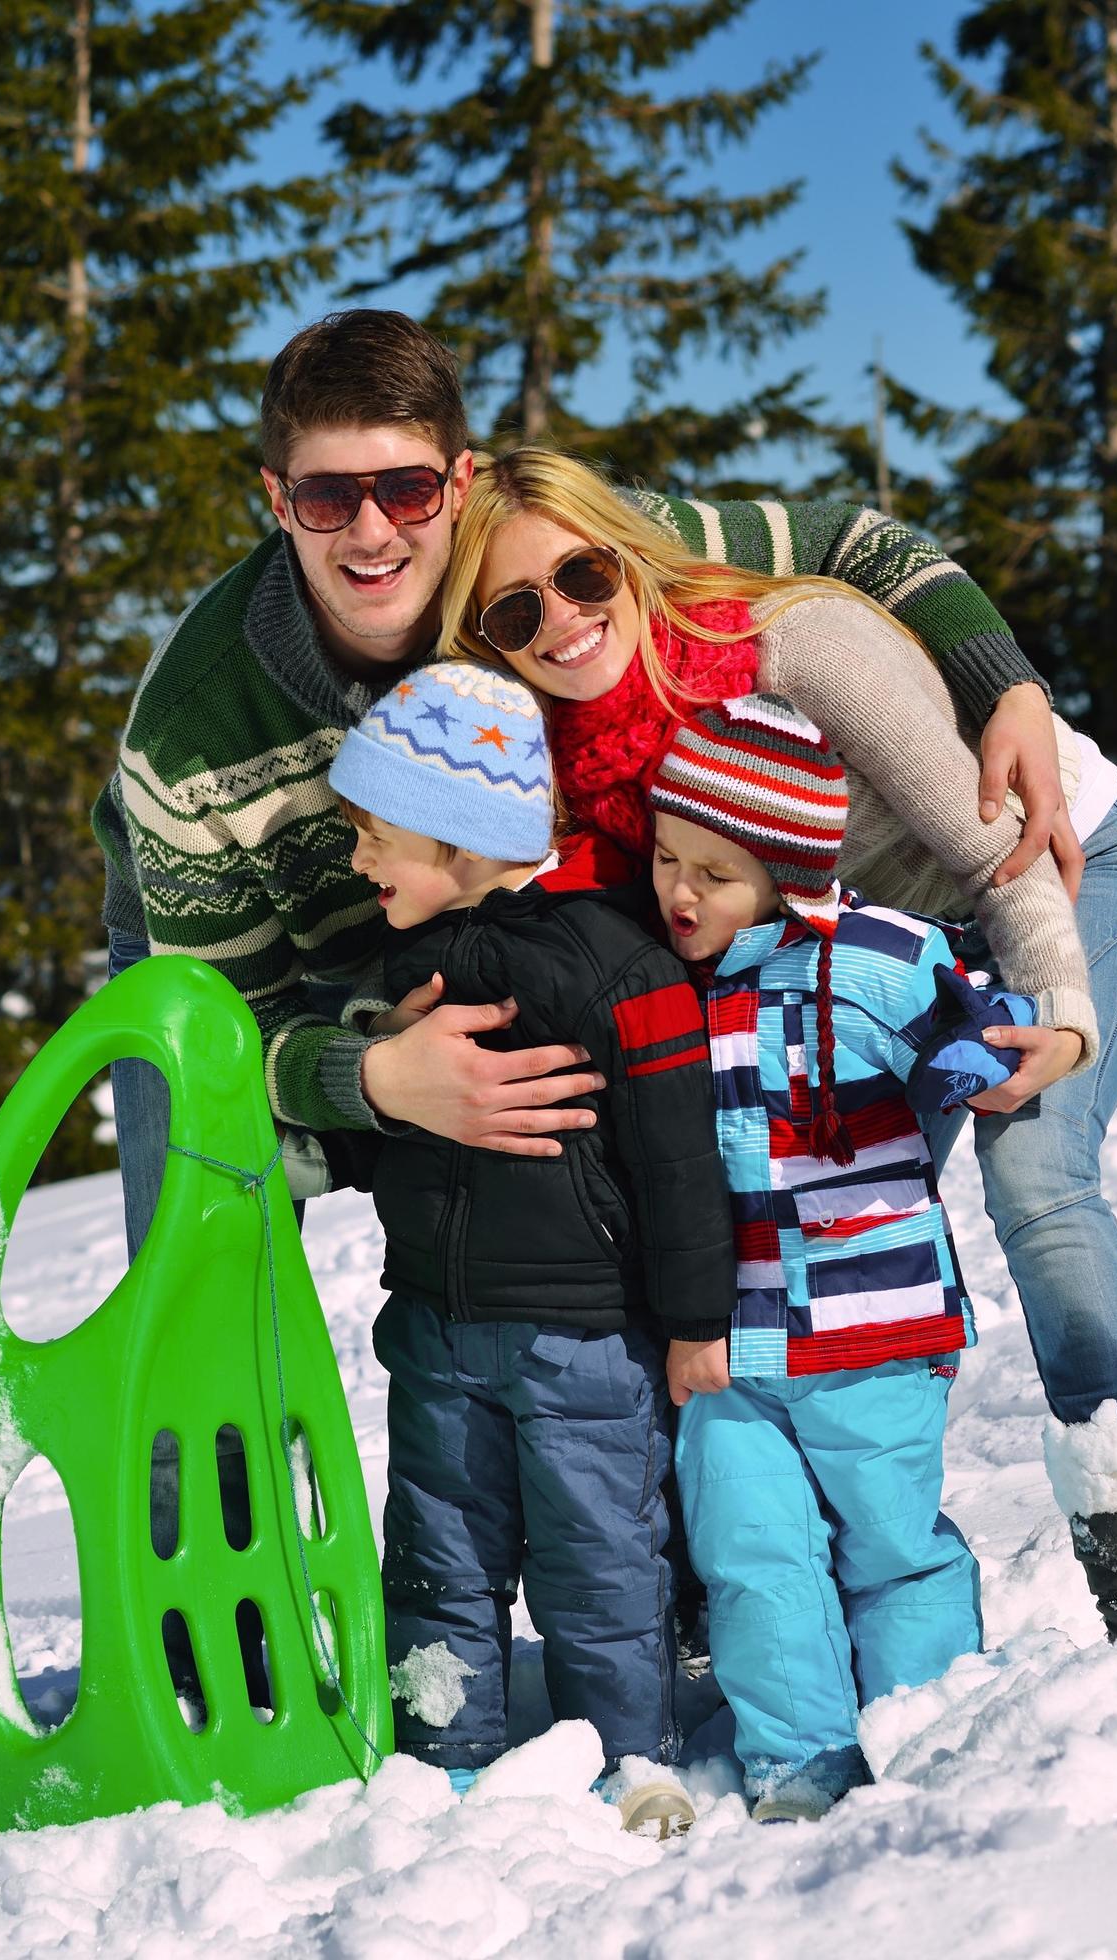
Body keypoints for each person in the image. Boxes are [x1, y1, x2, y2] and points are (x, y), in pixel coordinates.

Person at [90, 309, 1077, 1257]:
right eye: (325, 497)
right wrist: (374, 1075)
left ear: (459, 478)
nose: (371, 531)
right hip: (239, 925)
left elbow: (848, 544)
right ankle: (209, 1434)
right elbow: (226, 1044)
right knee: (206, 1208)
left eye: (406, 489)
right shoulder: (192, 740)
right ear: (276, 498)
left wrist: (1009, 684)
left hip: (483, 919)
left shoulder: (558, 568)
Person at [446, 447, 1117, 1639]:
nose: (565, 619)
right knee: (755, 1195)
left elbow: (990, 848)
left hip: (1058, 872)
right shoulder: (570, 763)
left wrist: (1054, 1006)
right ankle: (747, 1582)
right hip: (868, 949)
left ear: (628, 554)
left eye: (584, 573)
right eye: (516, 609)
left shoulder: (793, 644)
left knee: (1036, 1173)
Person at [327, 660, 732, 1837]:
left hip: (586, 1335)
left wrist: (697, 1318)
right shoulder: (404, 972)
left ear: (457, 840)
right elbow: (364, 1137)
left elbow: (677, 1164)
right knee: (437, 1551)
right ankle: (443, 1751)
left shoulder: (625, 967)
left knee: (600, 1556)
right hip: (439, 1326)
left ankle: (635, 1754)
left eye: (373, 835)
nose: (356, 861)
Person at [644, 696, 986, 1820]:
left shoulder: (876, 959)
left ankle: (933, 1737)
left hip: (874, 1329)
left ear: (787, 874)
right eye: (665, 857)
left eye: (714, 873)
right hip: (727, 1349)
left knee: (890, 1544)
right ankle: (799, 1764)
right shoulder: (660, 988)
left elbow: (971, 1012)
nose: (680, 894)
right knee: (751, 1555)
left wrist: (984, 1047)